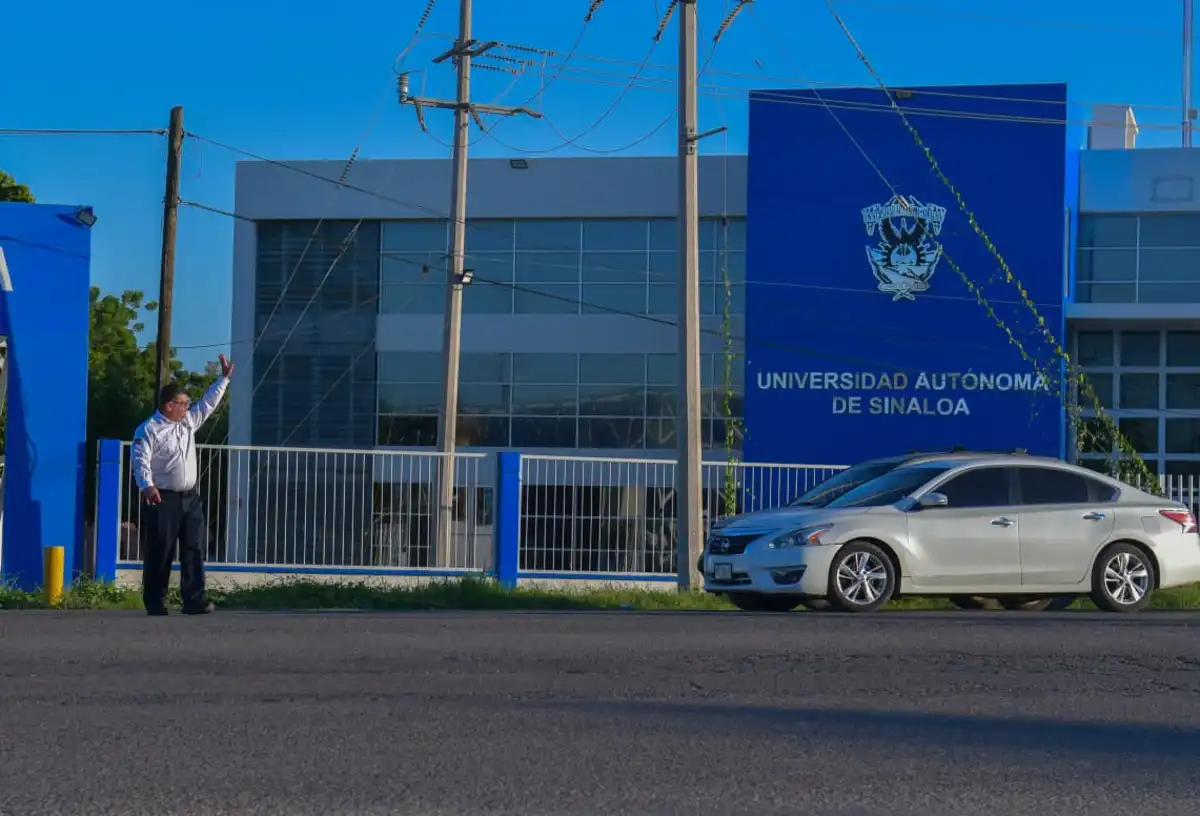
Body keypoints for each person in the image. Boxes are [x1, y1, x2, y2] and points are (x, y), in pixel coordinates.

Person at [131, 354, 234, 616]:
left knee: (194, 548)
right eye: (183, 404)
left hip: (190, 497)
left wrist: (223, 379)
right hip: (163, 498)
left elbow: (208, 404)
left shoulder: (187, 423)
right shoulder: (149, 429)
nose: (188, 408)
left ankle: (194, 599)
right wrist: (147, 485)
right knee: (161, 550)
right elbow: (140, 459)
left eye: (188, 404)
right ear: (168, 405)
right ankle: (155, 600)